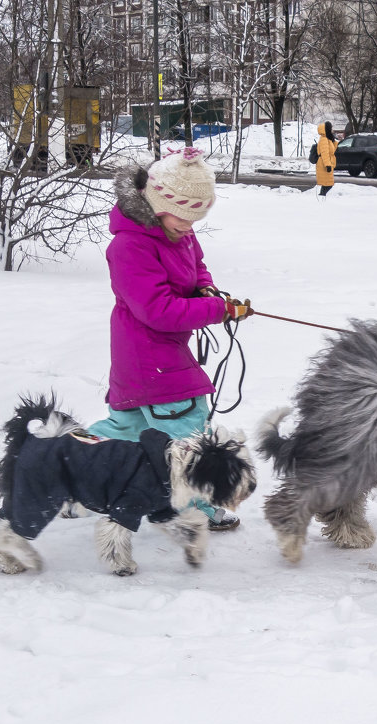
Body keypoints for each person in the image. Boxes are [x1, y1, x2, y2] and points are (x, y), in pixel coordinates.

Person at [88, 147, 249, 531]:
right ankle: (197, 510)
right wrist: (217, 311)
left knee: (126, 430)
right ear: (158, 203)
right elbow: (157, 311)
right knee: (191, 435)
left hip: (148, 356)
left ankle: (60, 462)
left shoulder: (176, 231)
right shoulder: (130, 246)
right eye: (185, 218)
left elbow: (197, 266)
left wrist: (208, 292)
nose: (190, 228)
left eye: (198, 219)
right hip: (151, 357)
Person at [315, 120, 338, 197]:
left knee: (327, 184)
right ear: (328, 129)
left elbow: (332, 150)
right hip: (324, 164)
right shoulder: (324, 140)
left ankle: (322, 197)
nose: (332, 130)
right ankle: (321, 197)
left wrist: (333, 141)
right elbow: (325, 154)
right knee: (328, 184)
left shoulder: (327, 139)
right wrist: (327, 165)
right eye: (331, 128)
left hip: (327, 163)